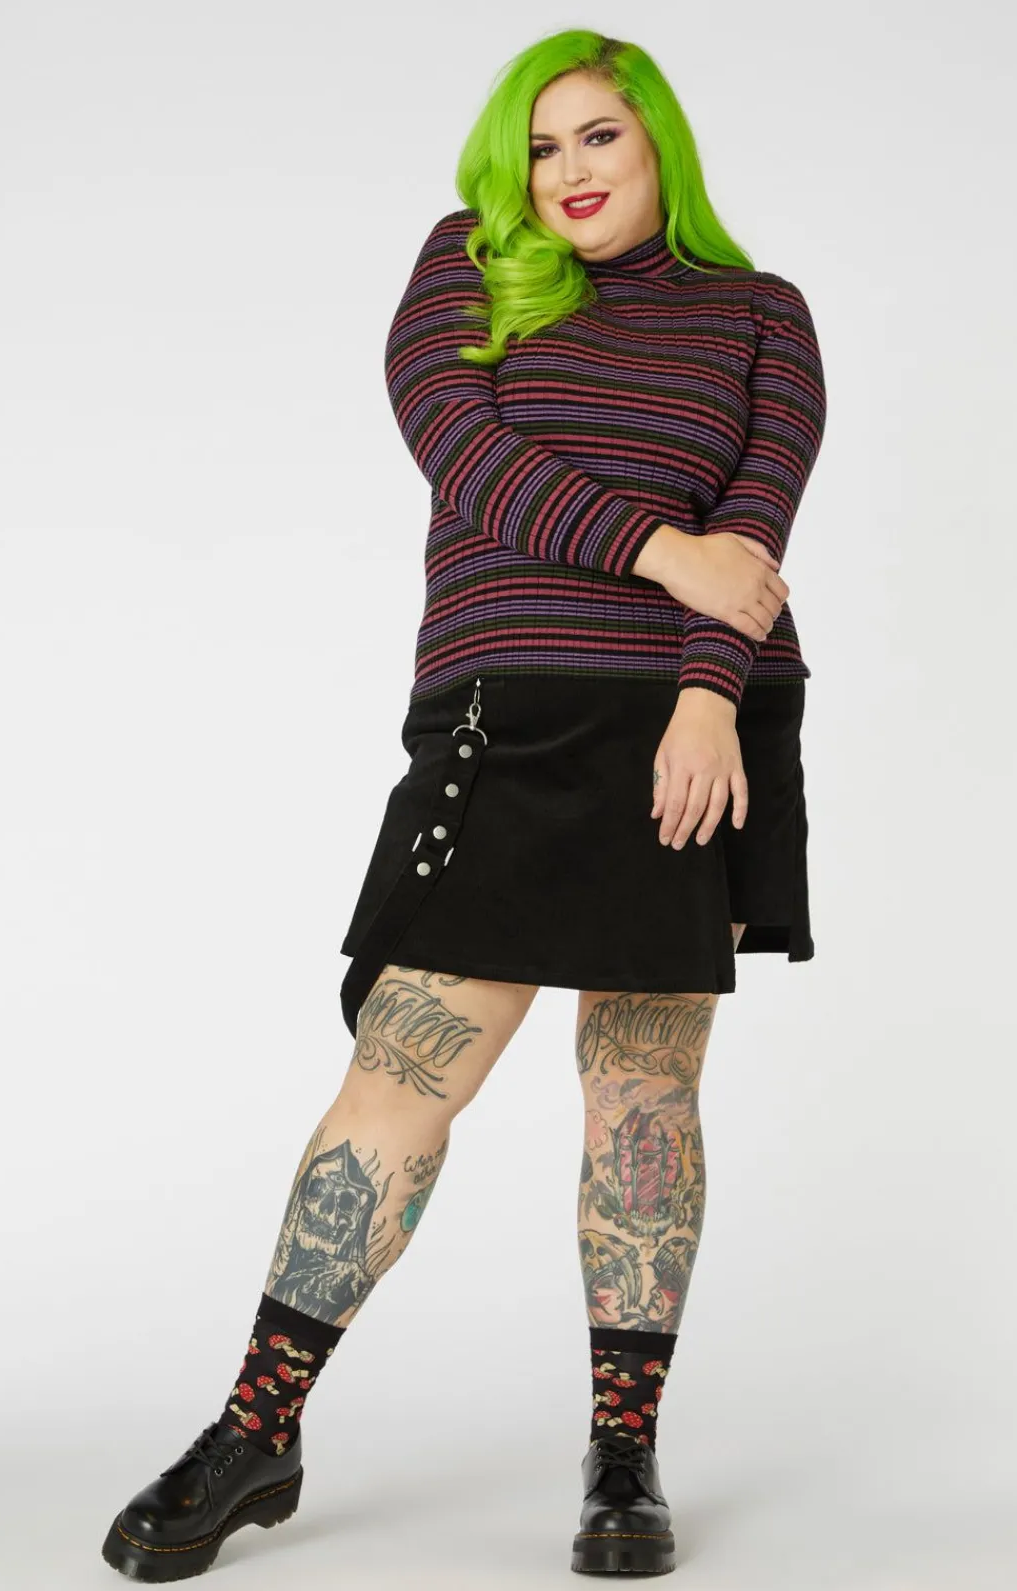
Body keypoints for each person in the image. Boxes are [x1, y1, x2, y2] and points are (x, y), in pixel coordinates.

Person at [101, 27, 826, 1582]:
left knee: (643, 1093)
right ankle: (257, 1427)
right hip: (506, 715)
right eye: (539, 147)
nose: (566, 171)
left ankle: (623, 1449)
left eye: (598, 136)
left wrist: (710, 691)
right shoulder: (468, 267)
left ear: (658, 143)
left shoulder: (762, 313)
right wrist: (666, 553)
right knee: (401, 1073)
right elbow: (469, 456)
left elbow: (755, 530)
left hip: (687, 724)